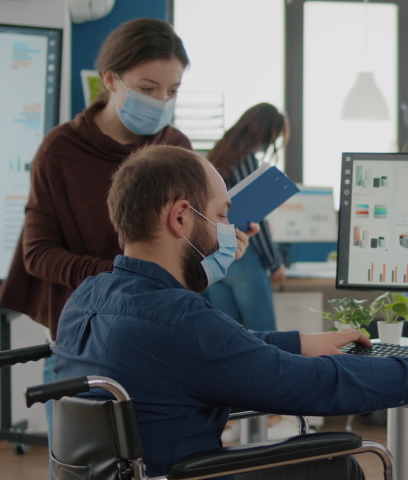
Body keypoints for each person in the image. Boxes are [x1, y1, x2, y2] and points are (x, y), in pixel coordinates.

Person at [52, 144, 408, 480]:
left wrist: (301, 343)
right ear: (180, 219)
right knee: (340, 467)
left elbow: (217, 352)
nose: (230, 230)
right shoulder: (179, 319)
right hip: (183, 473)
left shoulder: (86, 298)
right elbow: (317, 387)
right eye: (222, 214)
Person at [0, 18, 257, 471]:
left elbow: (180, 247)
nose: (161, 101)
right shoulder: (59, 152)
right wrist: (128, 279)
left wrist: (215, 245)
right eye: (148, 87)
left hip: (159, 343)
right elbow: (37, 254)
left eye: (172, 91)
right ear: (111, 79)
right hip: (84, 346)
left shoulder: (175, 146)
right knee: (88, 470)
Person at [205, 103, 289, 332]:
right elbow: (254, 220)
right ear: (266, 131)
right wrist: (275, 264)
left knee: (227, 337)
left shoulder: (218, 154)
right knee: (265, 336)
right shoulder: (247, 161)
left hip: (214, 257)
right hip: (242, 256)